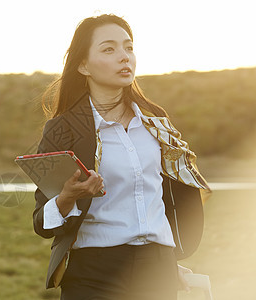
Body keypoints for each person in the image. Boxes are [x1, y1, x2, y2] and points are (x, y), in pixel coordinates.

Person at [33, 14, 211, 300]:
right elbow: (42, 222)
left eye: (129, 47)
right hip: (92, 273)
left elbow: (164, 199)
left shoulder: (157, 124)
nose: (124, 57)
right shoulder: (62, 130)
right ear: (83, 65)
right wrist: (67, 197)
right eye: (109, 49)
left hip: (157, 270)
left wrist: (168, 258)